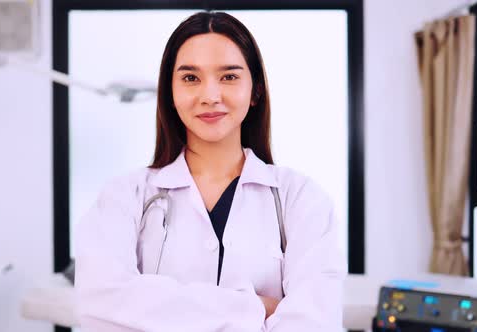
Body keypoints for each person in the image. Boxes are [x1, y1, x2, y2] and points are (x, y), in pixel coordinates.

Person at [75, 11, 346, 332]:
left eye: (229, 76)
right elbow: (99, 306)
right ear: (170, 93)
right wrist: (256, 307)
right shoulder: (124, 196)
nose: (210, 96)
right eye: (191, 78)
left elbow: (315, 321)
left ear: (255, 90)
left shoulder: (300, 198)